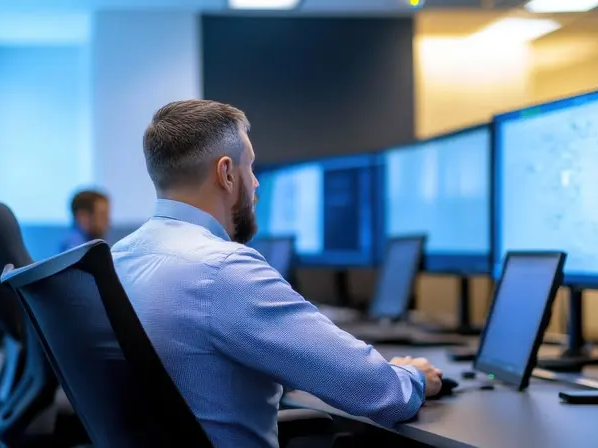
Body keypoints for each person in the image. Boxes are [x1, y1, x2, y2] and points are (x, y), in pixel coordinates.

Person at [112, 100, 443, 447]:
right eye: (250, 168)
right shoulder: (223, 270)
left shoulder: (117, 259)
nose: (255, 184)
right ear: (226, 173)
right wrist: (413, 376)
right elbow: (377, 391)